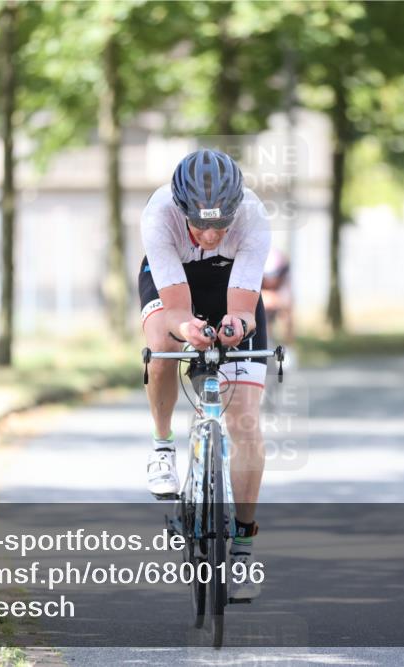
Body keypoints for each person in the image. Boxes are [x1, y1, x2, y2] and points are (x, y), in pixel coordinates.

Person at [138, 149, 270, 600]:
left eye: (222, 224)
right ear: (181, 209)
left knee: (246, 421)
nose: (212, 234)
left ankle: (244, 545)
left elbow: (243, 310)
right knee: (163, 345)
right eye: (201, 224)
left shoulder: (253, 217)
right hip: (174, 282)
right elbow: (175, 310)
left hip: (230, 283)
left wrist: (236, 325)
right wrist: (187, 328)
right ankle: (161, 447)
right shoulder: (159, 215)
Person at [261, 246, 295, 348]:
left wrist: (276, 300)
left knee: (287, 314)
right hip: (265, 306)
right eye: (268, 277)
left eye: (274, 276)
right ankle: (266, 342)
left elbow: (288, 298)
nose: (271, 281)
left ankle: (288, 346)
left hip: (279, 298)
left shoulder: (284, 273)